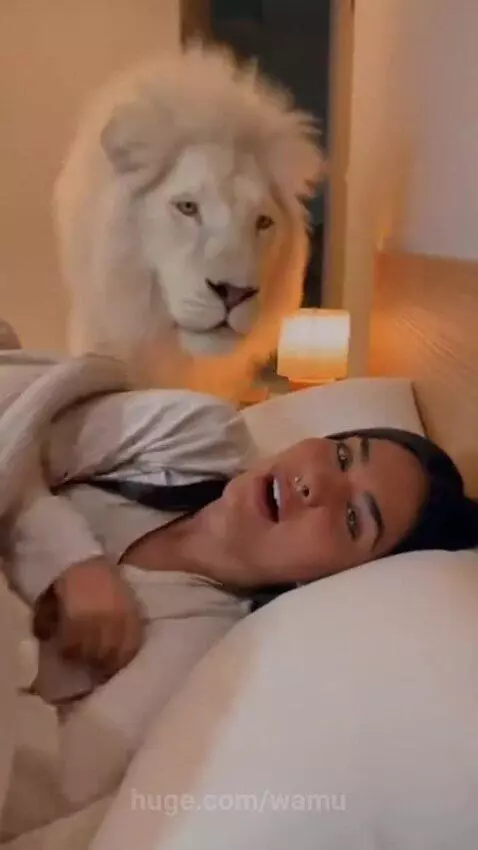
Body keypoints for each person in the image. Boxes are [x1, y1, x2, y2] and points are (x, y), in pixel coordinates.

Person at [3, 382, 478, 830]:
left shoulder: (196, 658)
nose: (316, 482)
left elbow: (36, 791)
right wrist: (70, 560)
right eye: (341, 454)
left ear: (328, 582)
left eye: (353, 519)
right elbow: (15, 422)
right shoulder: (194, 437)